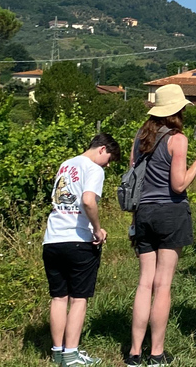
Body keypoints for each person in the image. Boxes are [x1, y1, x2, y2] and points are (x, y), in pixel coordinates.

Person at [126, 84, 196, 366]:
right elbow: (179, 184)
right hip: (170, 213)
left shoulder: (140, 136)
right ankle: (156, 352)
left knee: (145, 283)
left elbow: (135, 174)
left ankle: (134, 352)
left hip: (142, 212)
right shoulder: (177, 139)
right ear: (177, 111)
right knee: (163, 284)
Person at [42, 134, 121, 367]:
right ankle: (71, 353)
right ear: (102, 149)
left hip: (52, 238)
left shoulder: (66, 164)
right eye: (109, 159)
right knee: (78, 299)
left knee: (58, 296)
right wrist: (97, 229)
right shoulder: (94, 169)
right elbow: (88, 201)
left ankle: (57, 351)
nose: (107, 164)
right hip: (78, 240)